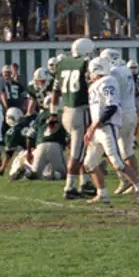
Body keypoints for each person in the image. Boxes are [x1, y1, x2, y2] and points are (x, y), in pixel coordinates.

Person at [84, 56, 139, 204]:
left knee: (117, 161)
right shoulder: (95, 85)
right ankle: (102, 193)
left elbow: (111, 106)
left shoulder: (108, 81)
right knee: (89, 163)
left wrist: (95, 124)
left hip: (107, 127)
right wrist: (91, 127)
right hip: (97, 128)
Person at [51, 38, 96, 199]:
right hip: (80, 111)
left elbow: (55, 93)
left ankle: (85, 182)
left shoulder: (63, 63)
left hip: (66, 111)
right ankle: (69, 188)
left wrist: (53, 113)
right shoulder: (84, 65)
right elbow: (92, 88)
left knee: (82, 149)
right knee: (77, 153)